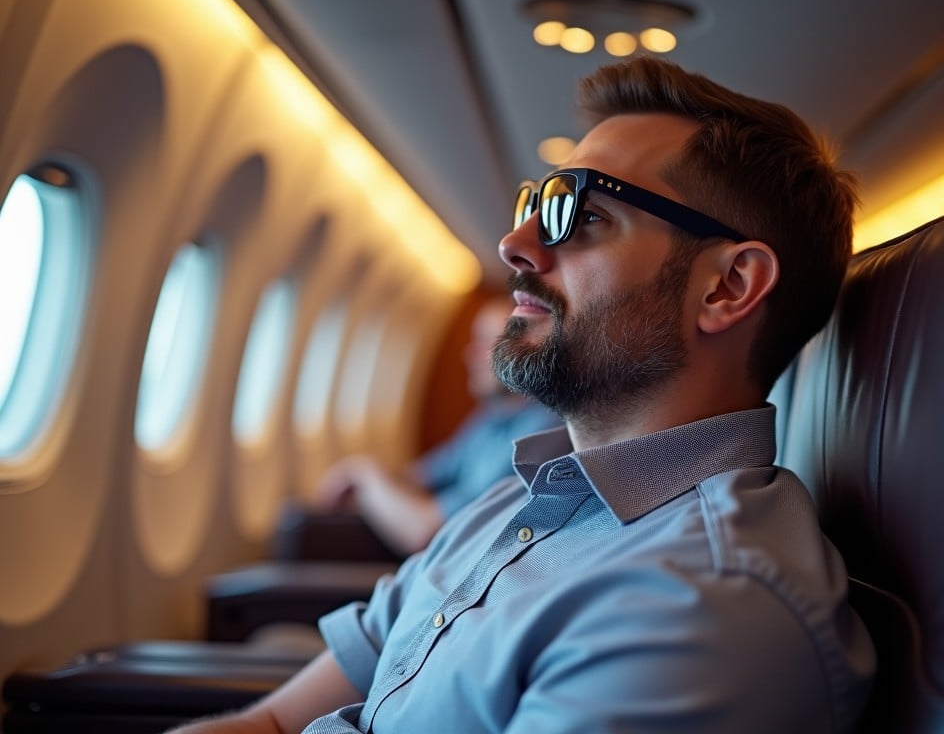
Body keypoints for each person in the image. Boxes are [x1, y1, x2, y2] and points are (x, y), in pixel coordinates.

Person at [171, 56, 875, 733]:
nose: (514, 242)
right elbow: (268, 721)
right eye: (534, 204)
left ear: (727, 287)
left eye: (583, 215)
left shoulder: (705, 609)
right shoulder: (526, 495)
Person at [311, 297, 560, 556]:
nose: (469, 353)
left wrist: (364, 472)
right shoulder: (488, 421)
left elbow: (425, 531)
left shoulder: (540, 431)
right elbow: (416, 478)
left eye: (486, 341)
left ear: (527, 351)